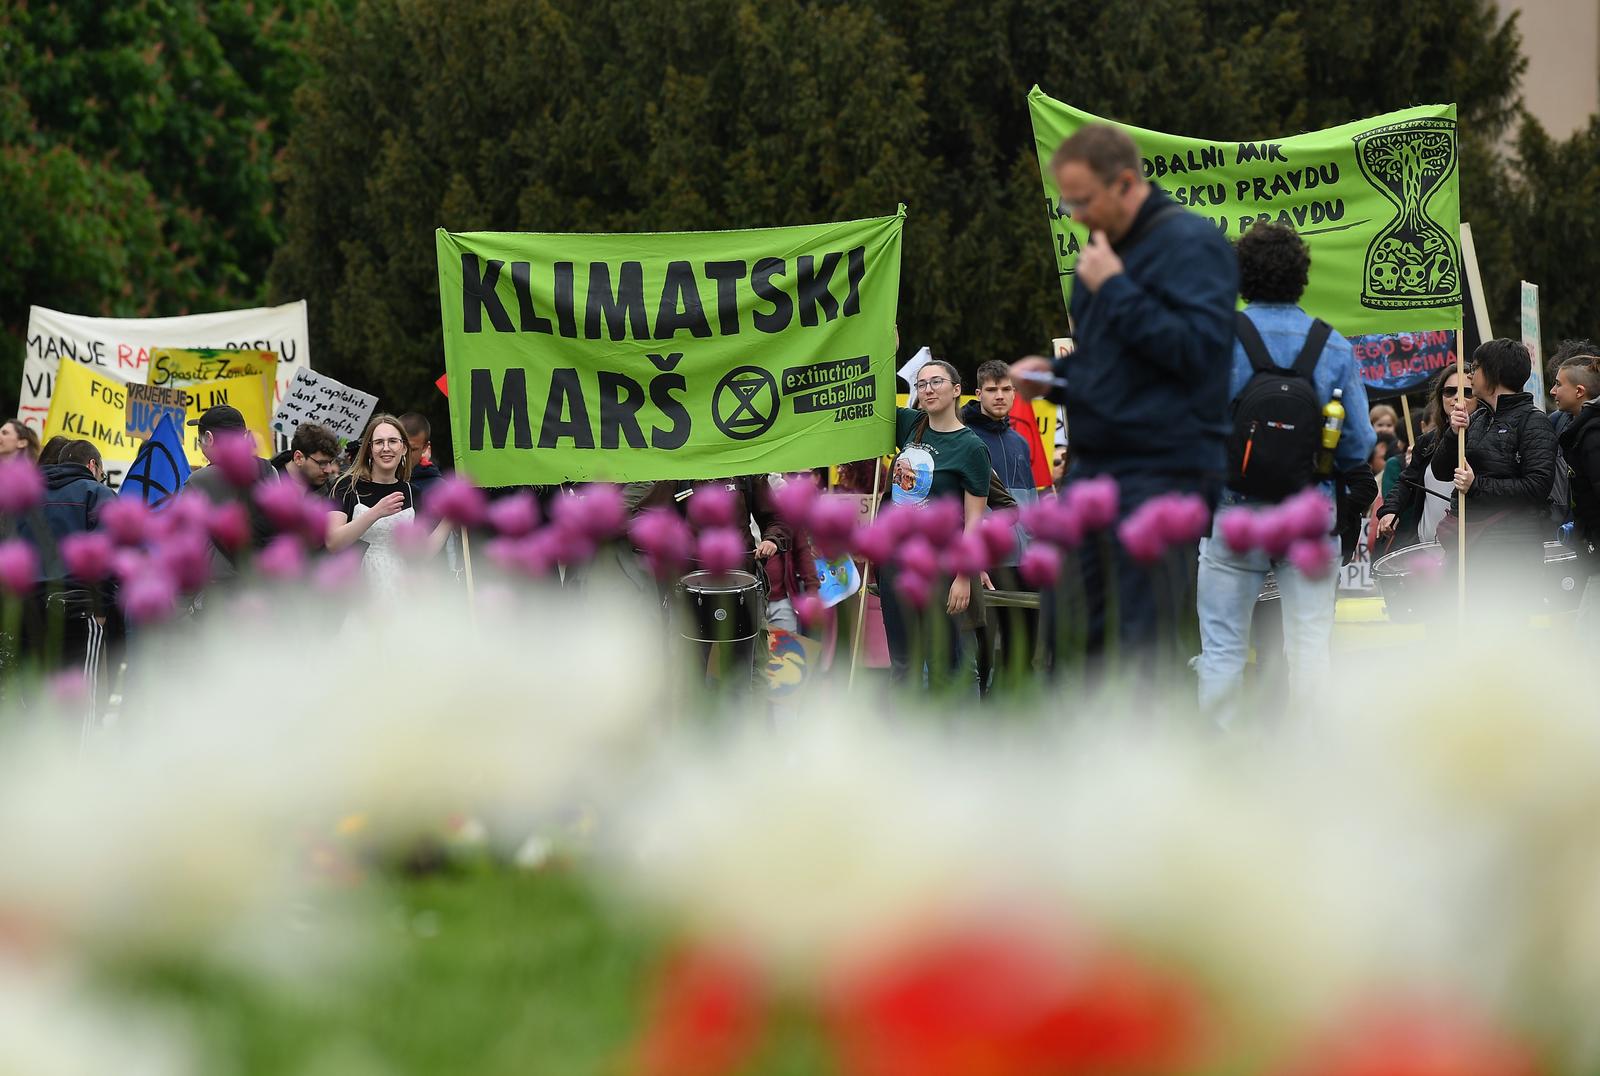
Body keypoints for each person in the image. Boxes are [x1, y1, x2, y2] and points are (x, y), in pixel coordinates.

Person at [1011, 123, 1237, 659]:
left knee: (1137, 649)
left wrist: (1114, 287)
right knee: (1067, 643)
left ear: (1127, 183)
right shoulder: (1101, 246)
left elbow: (1198, 352)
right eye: (1069, 203)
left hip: (1162, 471)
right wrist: (1050, 374)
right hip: (1096, 470)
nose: (1077, 215)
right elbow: (1114, 364)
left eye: (1084, 200)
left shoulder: (1191, 245)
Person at [1194, 221, 1375, 723]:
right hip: (1308, 514)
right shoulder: (1333, 346)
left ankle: (1219, 767)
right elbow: (1358, 444)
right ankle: (1310, 771)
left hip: (1232, 513)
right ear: (1302, 276)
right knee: (1311, 651)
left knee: (1223, 653)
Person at [880, 359, 993, 686]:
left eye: (937, 382)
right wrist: (887, 349)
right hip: (896, 563)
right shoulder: (909, 424)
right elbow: (874, 394)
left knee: (945, 662)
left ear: (957, 390)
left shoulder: (972, 448)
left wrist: (963, 576)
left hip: (941, 568)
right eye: (921, 384)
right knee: (902, 662)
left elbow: (974, 522)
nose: (927, 389)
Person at [1431, 339, 1557, 614]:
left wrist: (1477, 486)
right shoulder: (1477, 419)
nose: (1469, 375)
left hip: (1511, 551)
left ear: (1493, 373)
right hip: (1468, 546)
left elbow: (1537, 486)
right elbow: (1441, 471)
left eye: (1475, 368)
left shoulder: (1533, 422)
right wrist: (1453, 434)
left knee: (1503, 632)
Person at [14, 439, 121, 717]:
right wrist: (101, 609)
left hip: (26, 610)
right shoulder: (98, 493)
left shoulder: (27, 496)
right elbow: (107, 555)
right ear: (92, 465)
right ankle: (73, 761)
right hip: (78, 609)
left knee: (32, 704)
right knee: (77, 708)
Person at [326, 414, 452, 595]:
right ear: (369, 449)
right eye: (379, 442)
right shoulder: (346, 487)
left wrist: (449, 520)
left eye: (393, 441)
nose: (386, 448)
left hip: (403, 588)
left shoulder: (413, 493)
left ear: (403, 448)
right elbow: (333, 542)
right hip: (360, 588)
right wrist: (376, 512)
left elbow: (420, 554)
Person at [1378, 368, 1477, 548]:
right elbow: (1406, 482)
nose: (1457, 397)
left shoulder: (1490, 436)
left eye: (1467, 392)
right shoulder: (1427, 441)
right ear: (1440, 397)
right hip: (1427, 552)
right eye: (1450, 391)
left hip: (1473, 551)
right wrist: (1390, 510)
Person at [184, 405, 279, 556]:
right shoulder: (269, 470)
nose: (199, 444)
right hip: (263, 571)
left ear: (209, 438)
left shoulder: (197, 480)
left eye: (199, 439)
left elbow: (186, 534)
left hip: (219, 577)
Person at [1550, 354, 1600, 627]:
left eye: (1559, 384)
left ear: (1579, 391)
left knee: (1586, 642)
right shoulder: (1583, 431)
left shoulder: (1592, 435)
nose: (1552, 391)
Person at [960, 361, 1038, 507]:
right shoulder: (962, 437)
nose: (1000, 396)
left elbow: (1032, 499)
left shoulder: (1021, 442)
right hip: (985, 529)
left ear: (1014, 393)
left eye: (1006, 389)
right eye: (992, 390)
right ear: (979, 394)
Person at [270, 422, 341, 493]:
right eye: (322, 463)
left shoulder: (333, 491)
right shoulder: (263, 481)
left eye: (330, 462)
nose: (328, 470)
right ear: (298, 458)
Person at [399, 412, 444, 507]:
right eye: (401, 447)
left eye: (413, 449)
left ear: (425, 447)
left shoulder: (439, 489)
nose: (405, 454)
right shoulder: (376, 479)